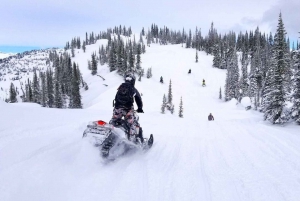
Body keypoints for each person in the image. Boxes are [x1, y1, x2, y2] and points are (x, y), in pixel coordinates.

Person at [112, 73, 144, 142]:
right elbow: (138, 99)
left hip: (117, 108)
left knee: (114, 121)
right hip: (128, 109)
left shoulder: (120, 87)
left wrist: (117, 106)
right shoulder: (133, 88)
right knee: (132, 123)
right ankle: (132, 139)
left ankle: (110, 135)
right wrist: (140, 108)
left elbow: (116, 98)